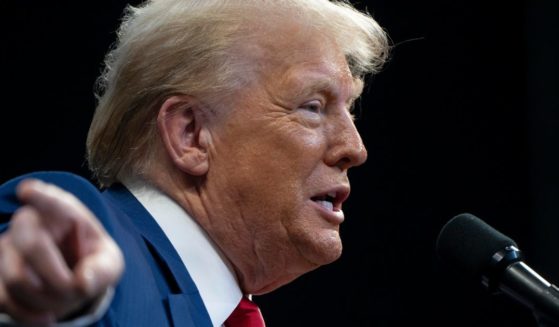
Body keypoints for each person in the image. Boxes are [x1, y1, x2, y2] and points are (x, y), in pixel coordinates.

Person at [0, 0, 388, 326]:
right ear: (191, 134)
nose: (355, 148)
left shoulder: (224, 307)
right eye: (313, 107)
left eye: (350, 111)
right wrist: (56, 304)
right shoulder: (91, 241)